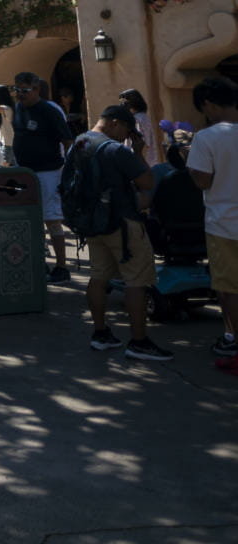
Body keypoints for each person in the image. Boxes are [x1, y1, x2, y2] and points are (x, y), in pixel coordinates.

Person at [69, 105, 171, 360]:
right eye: (126, 130)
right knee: (137, 280)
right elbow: (147, 182)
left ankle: (100, 334)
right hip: (123, 224)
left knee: (99, 276)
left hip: (92, 222)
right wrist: (139, 152)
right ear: (115, 123)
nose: (126, 136)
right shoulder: (117, 150)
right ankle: (139, 342)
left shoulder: (79, 143)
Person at [187, 76, 238, 367]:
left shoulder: (206, 138)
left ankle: (234, 341)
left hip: (225, 224)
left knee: (230, 288)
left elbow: (203, 180)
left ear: (207, 104)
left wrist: (191, 166)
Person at [11, 70, 75, 283]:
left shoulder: (49, 111)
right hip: (24, 171)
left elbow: (67, 140)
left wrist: (68, 169)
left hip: (48, 172)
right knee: (30, 219)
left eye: (25, 91)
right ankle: (39, 263)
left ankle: (61, 267)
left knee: (52, 219)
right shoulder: (19, 108)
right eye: (17, 90)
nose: (20, 94)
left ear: (36, 89)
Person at [119, 88, 162, 165]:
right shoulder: (141, 118)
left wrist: (138, 166)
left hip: (142, 165)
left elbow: (144, 145)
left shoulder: (139, 119)